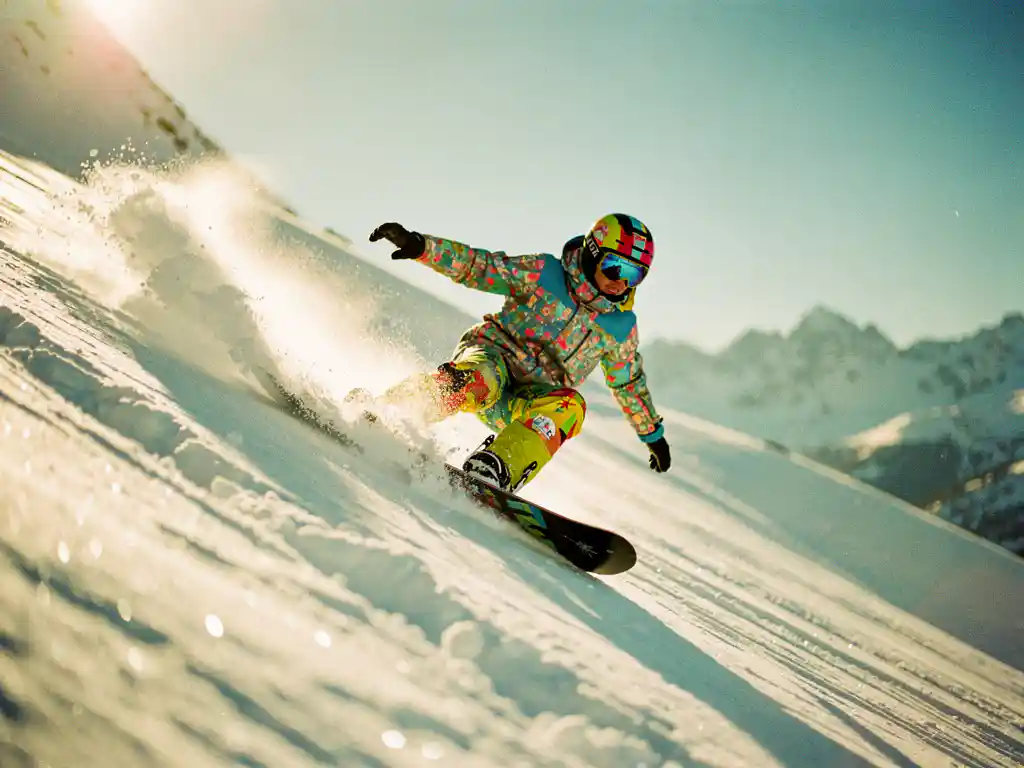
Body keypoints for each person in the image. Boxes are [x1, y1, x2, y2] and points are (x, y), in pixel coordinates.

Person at [366, 213, 671, 492]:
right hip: (493, 357)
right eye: (615, 268)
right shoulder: (544, 274)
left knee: (571, 407)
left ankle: (496, 469)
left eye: (635, 276)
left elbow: (627, 382)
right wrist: (421, 247)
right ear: (592, 255)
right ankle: (393, 412)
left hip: (526, 401)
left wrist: (652, 436)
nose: (621, 282)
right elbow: (481, 268)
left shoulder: (620, 327)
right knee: (479, 378)